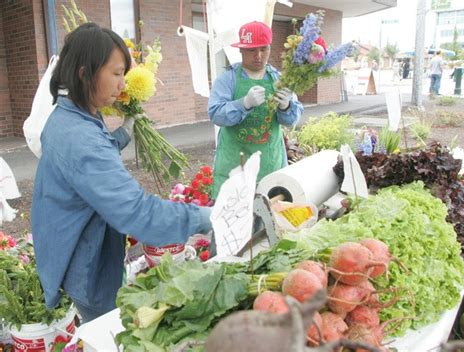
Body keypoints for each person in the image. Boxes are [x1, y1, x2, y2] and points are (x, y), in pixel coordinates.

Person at [31, 23, 212, 323]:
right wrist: (209, 218)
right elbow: (137, 213)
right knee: (106, 331)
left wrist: (122, 135)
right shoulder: (80, 138)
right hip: (89, 265)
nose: (122, 85)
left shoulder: (69, 115)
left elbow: (87, 165)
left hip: (77, 248)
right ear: (84, 73)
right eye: (116, 74)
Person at [208, 21, 303, 198]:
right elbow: (215, 114)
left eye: (263, 49)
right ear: (241, 50)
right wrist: (243, 104)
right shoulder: (227, 79)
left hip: (269, 162)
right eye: (252, 50)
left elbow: (291, 121)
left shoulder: (279, 79)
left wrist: (287, 106)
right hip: (234, 163)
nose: (258, 55)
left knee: (270, 212)